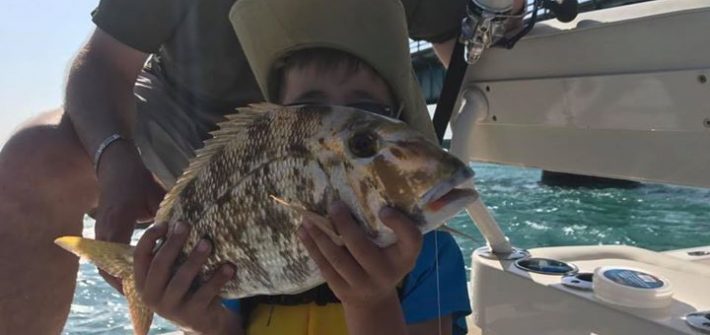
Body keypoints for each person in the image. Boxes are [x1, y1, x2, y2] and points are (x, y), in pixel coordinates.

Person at [0, 0, 524, 333]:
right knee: (32, 159)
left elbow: (472, 38)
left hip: (321, 157)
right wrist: (115, 160)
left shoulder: (431, 257)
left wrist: (502, 12)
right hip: (195, 128)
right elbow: (104, 62)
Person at [131, 0, 470, 334]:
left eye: (365, 127)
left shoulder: (432, 258)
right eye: (310, 110)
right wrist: (202, 321)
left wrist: (373, 302)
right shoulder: (245, 239)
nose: (331, 129)